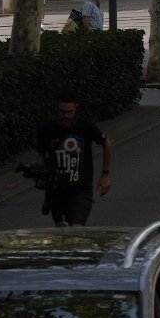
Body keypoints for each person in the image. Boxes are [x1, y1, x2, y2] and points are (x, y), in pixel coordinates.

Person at [34, 96, 113, 226]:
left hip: (80, 189)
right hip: (56, 190)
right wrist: (39, 172)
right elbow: (41, 154)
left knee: (76, 228)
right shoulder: (46, 129)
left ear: (75, 109)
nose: (66, 116)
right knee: (62, 228)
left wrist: (105, 175)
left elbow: (106, 143)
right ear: (56, 110)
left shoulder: (85, 127)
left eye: (69, 112)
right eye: (62, 112)